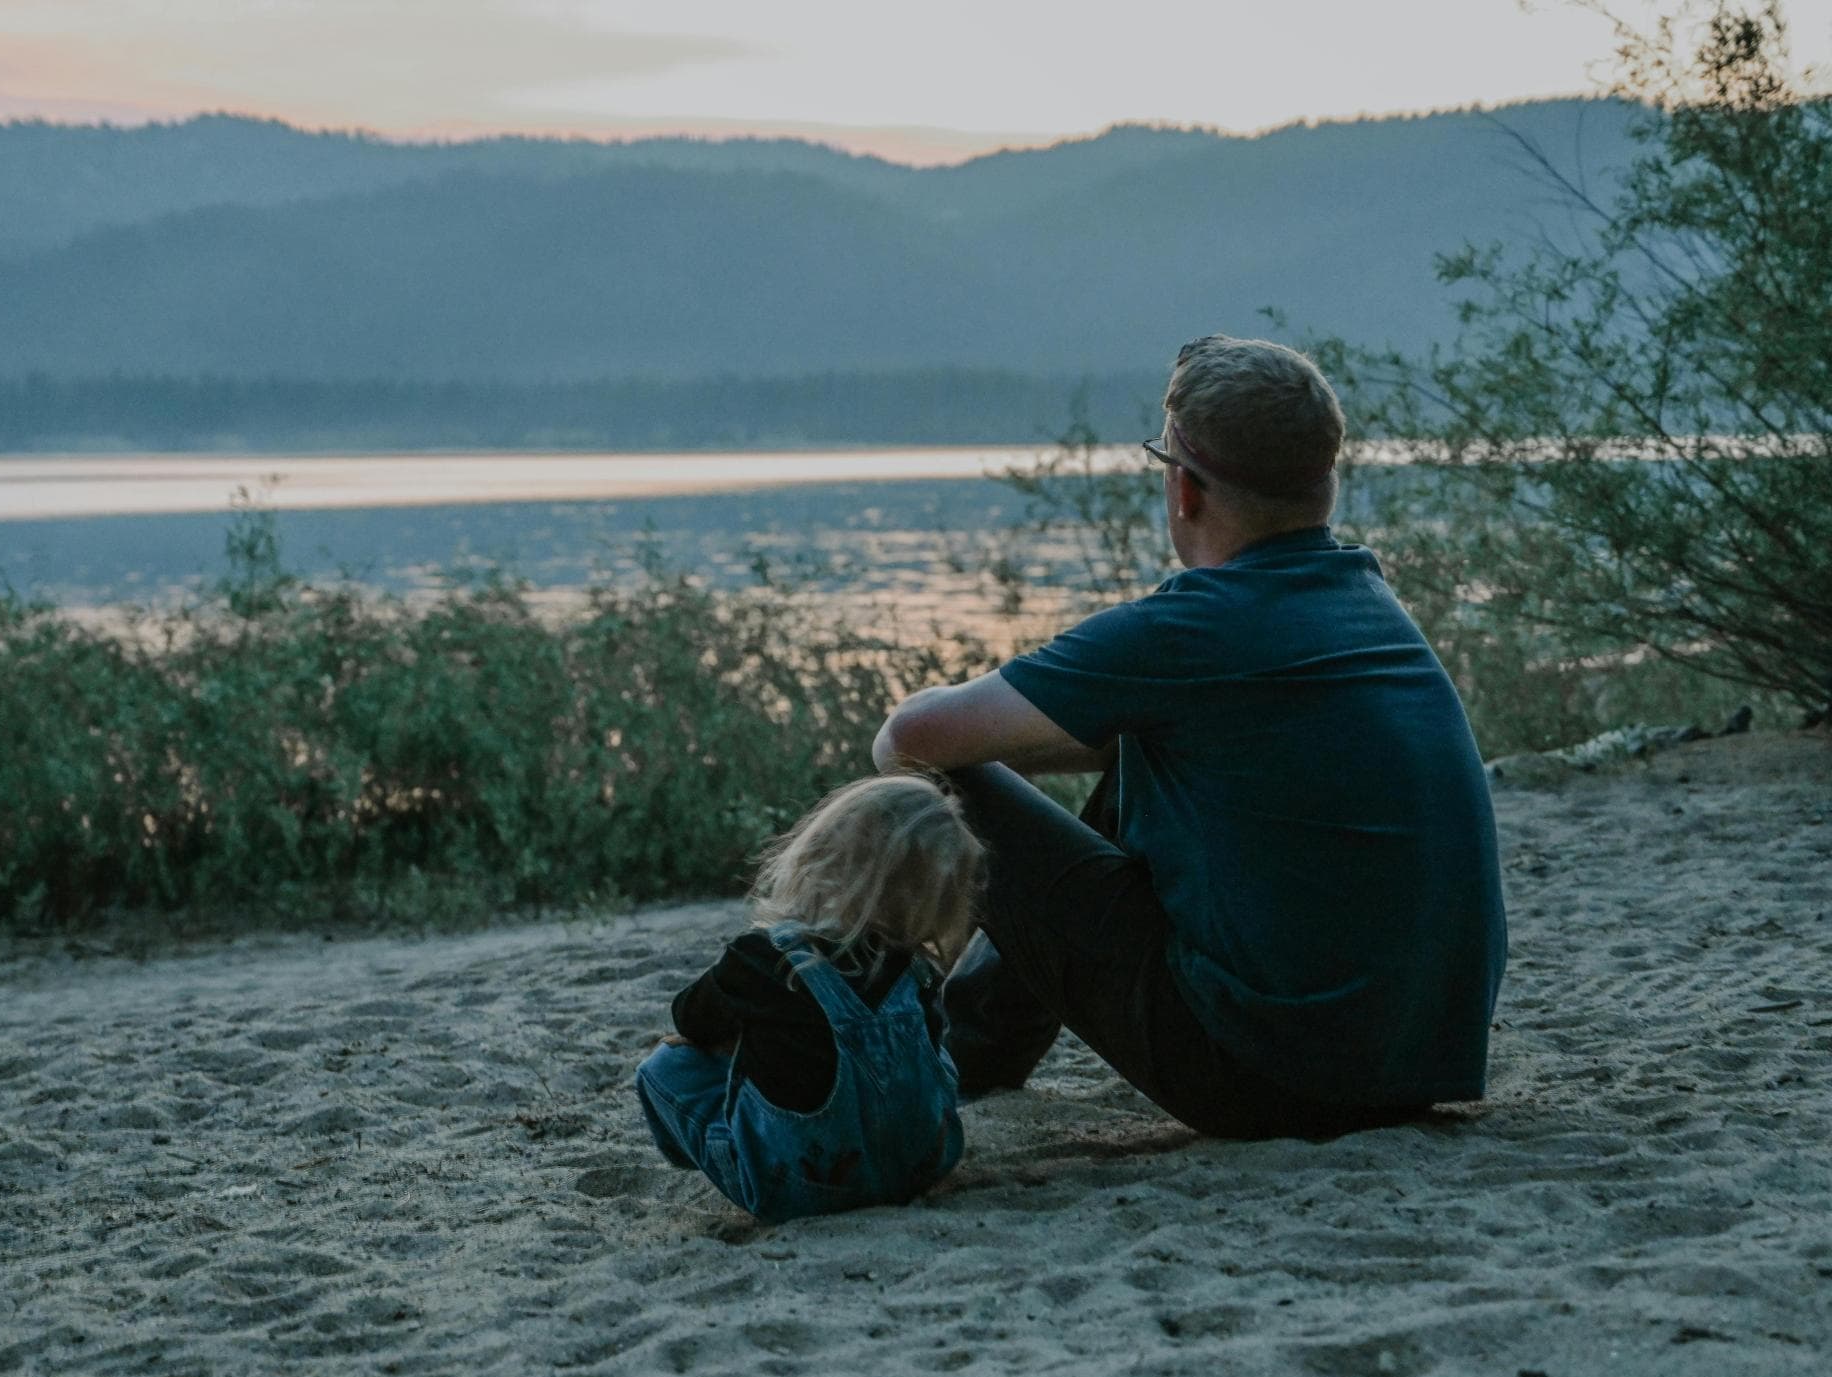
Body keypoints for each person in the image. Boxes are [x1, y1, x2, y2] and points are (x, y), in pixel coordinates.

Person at [872, 335, 1507, 1141]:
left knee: (944, 781)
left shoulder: (1192, 629)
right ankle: (975, 1045)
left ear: (1183, 489)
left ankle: (958, 1043)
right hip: (1421, 1061)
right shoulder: (1366, 602)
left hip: (1267, 1077)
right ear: (1326, 484)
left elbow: (907, 740)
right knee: (1144, 742)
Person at [634, 774, 981, 1222]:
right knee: (930, 1055)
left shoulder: (761, 958)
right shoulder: (918, 972)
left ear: (822, 854)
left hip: (798, 1188)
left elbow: (689, 1018)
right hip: (918, 1170)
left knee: (666, 1065)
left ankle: (709, 1156)